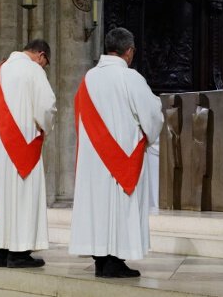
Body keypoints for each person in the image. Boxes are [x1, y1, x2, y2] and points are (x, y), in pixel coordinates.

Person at [69, 27, 163, 279]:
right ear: (129, 51)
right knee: (118, 206)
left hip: (94, 156)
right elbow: (152, 115)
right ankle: (114, 260)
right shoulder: (129, 78)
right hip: (120, 155)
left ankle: (102, 258)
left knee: (98, 207)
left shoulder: (88, 78)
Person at [0, 39, 57, 268]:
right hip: (23, 143)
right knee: (23, 197)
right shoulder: (33, 70)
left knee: (4, 197)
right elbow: (46, 107)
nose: (44, 67)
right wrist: (46, 126)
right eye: (46, 63)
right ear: (40, 55)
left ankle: (3, 251)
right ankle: (19, 253)